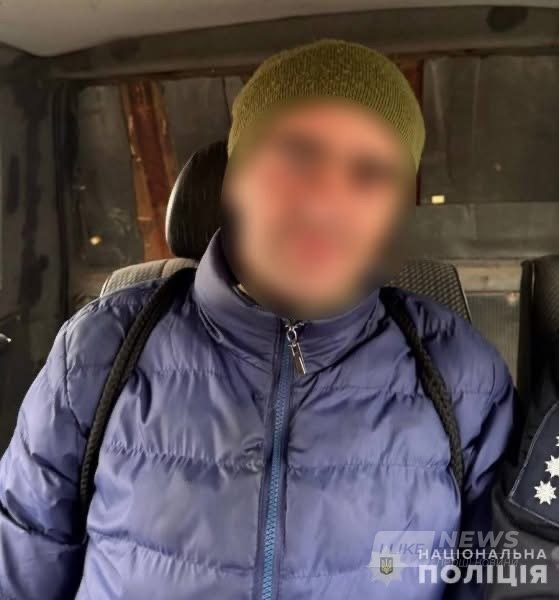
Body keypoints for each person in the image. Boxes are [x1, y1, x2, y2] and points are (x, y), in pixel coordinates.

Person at [0, 39, 513, 599]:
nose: (322, 205)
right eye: (295, 158)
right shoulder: (100, 352)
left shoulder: (460, 375)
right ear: (233, 181)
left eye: (370, 174)